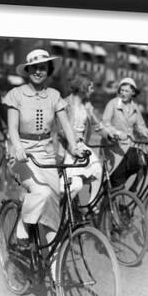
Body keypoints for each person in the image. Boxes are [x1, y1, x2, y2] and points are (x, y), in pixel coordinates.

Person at [4, 49, 82, 246]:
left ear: (49, 70)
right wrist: (19, 147)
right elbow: (12, 128)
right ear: (28, 70)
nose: (38, 71)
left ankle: (54, 264)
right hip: (23, 154)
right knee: (43, 193)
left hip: (46, 155)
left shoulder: (54, 96)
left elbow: (66, 125)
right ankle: (24, 222)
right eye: (35, 68)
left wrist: (74, 147)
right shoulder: (16, 94)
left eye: (43, 68)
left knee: (53, 204)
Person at [101, 77, 148, 192]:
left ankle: (133, 190)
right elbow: (105, 124)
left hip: (130, 147)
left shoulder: (135, 108)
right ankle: (115, 201)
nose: (123, 93)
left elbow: (140, 126)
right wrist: (115, 133)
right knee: (117, 181)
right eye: (121, 90)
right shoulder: (112, 104)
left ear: (133, 92)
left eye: (126, 91)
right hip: (115, 148)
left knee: (143, 164)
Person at [59, 72, 103, 204]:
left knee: (98, 171)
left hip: (81, 145)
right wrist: (72, 144)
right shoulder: (65, 103)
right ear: (83, 87)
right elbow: (60, 130)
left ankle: (91, 205)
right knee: (73, 186)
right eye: (91, 87)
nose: (93, 90)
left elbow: (98, 124)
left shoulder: (87, 105)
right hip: (66, 147)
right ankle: (61, 211)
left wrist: (111, 134)